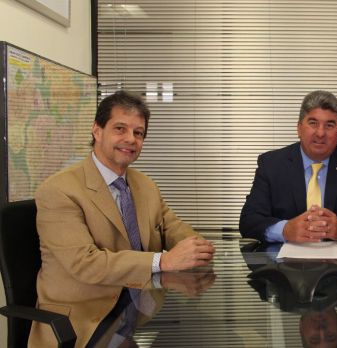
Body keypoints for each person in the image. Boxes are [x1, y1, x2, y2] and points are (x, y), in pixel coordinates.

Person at [30, 90, 216, 347]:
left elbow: (170, 225)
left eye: (138, 133)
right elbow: (85, 263)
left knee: (214, 335)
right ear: (97, 130)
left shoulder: (144, 185)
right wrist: (164, 260)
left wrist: (195, 245)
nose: (130, 139)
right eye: (120, 128)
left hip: (140, 303)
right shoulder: (60, 190)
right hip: (87, 315)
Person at [239, 90, 337, 242]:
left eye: (330, 125)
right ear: (299, 128)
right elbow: (249, 222)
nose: (320, 133)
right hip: (283, 263)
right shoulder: (271, 164)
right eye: (313, 123)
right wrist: (285, 230)